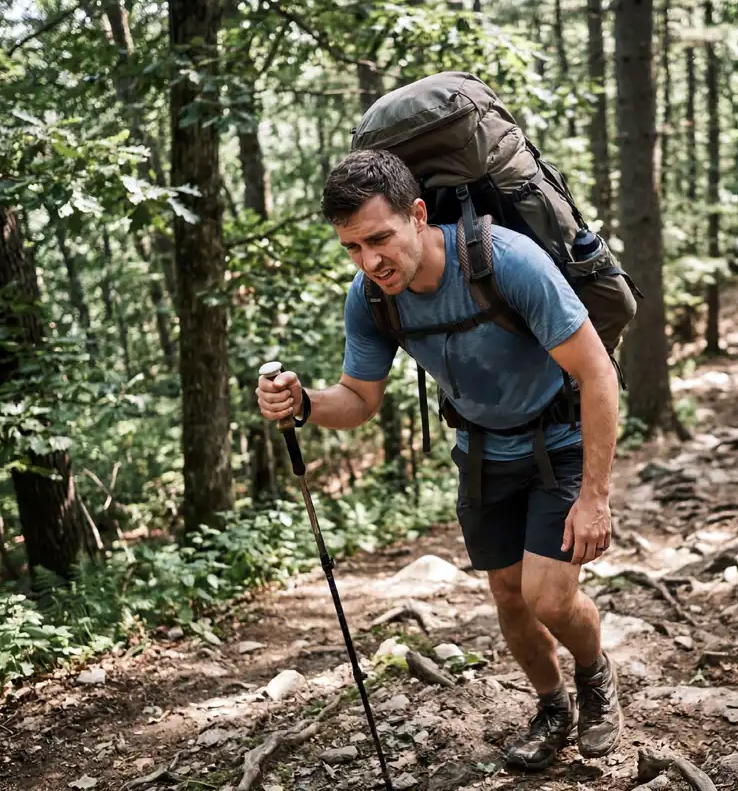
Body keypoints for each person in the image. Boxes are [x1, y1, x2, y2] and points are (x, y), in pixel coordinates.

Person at [256, 149, 622, 771]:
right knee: (508, 597)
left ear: (418, 214)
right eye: (352, 247)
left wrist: (595, 497)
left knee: (549, 597)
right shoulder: (372, 298)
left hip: (557, 443)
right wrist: (303, 404)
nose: (370, 260)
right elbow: (359, 399)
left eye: (379, 238)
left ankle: (595, 680)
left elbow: (596, 373)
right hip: (481, 454)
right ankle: (553, 707)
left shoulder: (505, 261)